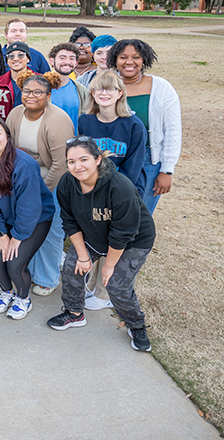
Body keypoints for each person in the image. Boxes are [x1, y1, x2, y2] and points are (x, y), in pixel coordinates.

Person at [46, 137, 156, 352]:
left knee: (115, 285)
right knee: (72, 267)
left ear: (98, 159)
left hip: (133, 241)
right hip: (93, 235)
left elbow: (122, 233)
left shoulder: (120, 187)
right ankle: (74, 313)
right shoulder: (67, 183)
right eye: (71, 162)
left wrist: (109, 264)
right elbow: (69, 222)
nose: (77, 166)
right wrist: (83, 255)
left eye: (84, 159)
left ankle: (137, 325)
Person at [0, 116, 54, 319]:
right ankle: (7, 293)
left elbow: (30, 207)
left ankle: (23, 298)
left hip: (35, 220)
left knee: (14, 264)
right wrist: (1, 232)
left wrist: (17, 237)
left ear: (7, 138)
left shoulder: (24, 164)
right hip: (6, 221)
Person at [78, 70, 147, 310]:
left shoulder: (133, 125)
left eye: (110, 89)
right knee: (95, 236)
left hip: (122, 192)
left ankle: (104, 294)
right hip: (93, 189)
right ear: (92, 94)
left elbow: (133, 167)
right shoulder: (85, 121)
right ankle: (93, 283)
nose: (104, 93)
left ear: (120, 93)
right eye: (99, 89)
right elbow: (83, 159)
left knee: (113, 240)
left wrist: (111, 194)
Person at [6, 71, 74, 296]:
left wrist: (41, 193)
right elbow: (8, 149)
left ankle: (48, 278)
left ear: (48, 95)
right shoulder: (16, 114)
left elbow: (62, 164)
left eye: (38, 92)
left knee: (50, 230)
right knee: (28, 228)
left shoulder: (57, 120)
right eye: (26, 91)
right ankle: (30, 269)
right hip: (25, 180)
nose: (31, 96)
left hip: (52, 182)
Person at [108, 39, 182, 214]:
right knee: (113, 209)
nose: (129, 62)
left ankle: (137, 242)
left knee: (141, 212)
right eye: (123, 57)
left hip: (148, 159)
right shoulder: (107, 85)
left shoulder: (162, 87)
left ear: (144, 60)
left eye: (136, 57)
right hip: (113, 157)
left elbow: (172, 130)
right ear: (115, 60)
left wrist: (167, 171)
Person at [0, 40, 35, 120]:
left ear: (28, 59)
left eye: (20, 55)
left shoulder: (39, 81)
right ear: (7, 61)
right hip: (6, 128)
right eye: (11, 56)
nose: (16, 59)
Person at [48, 42, 89, 131]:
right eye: (62, 58)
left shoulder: (81, 90)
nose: (67, 62)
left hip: (74, 143)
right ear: (52, 61)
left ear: (76, 62)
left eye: (72, 58)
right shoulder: (41, 87)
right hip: (48, 143)